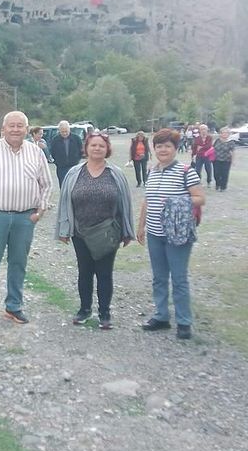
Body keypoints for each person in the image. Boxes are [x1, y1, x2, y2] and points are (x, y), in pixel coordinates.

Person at [0, 111, 53, 327]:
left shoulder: (36, 152)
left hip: (25, 218)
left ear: (26, 128)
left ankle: (14, 306)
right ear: (3, 128)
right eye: (11, 126)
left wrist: (40, 211)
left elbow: (47, 184)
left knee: (18, 263)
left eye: (20, 126)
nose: (15, 129)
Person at [56, 132, 135, 329]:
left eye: (101, 145)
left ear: (107, 149)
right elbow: (64, 202)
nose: (97, 148)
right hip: (80, 232)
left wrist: (127, 231)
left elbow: (125, 203)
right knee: (84, 272)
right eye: (93, 145)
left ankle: (104, 313)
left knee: (104, 273)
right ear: (86, 148)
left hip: (108, 233)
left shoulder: (115, 173)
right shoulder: (74, 173)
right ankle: (84, 309)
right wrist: (64, 229)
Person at [136, 128, 206, 340]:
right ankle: (161, 316)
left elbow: (200, 198)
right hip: (155, 233)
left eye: (167, 146)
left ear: (175, 148)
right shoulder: (153, 171)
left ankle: (184, 322)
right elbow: (147, 201)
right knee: (158, 278)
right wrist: (141, 226)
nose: (163, 150)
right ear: (154, 149)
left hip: (178, 234)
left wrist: (177, 201)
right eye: (159, 146)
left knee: (179, 278)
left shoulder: (186, 171)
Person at [49, 120, 83, 187]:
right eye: (62, 132)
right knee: (63, 186)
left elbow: (81, 151)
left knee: (75, 186)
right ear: (59, 131)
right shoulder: (55, 140)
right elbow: (52, 152)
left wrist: (77, 159)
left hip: (74, 166)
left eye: (66, 131)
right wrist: (58, 162)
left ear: (69, 129)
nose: (64, 133)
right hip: (61, 168)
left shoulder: (76, 138)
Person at [213, 126, 235, 191]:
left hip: (226, 160)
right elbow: (213, 149)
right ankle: (218, 184)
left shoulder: (231, 142)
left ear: (229, 134)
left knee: (224, 174)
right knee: (216, 173)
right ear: (220, 133)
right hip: (216, 160)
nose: (225, 134)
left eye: (226, 133)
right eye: (223, 133)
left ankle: (223, 187)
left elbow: (233, 152)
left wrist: (233, 161)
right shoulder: (217, 140)